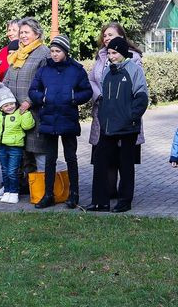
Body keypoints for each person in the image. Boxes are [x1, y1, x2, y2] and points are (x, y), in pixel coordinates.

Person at [27, 34, 93, 209]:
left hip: (68, 118)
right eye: (52, 51)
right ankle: (49, 194)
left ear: (65, 51)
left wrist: (73, 97)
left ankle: (74, 194)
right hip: (48, 119)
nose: (54, 54)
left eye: (58, 51)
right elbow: (33, 90)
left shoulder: (76, 70)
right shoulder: (44, 70)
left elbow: (87, 91)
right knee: (50, 159)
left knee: (71, 157)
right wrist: (43, 98)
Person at [87, 37, 149, 213]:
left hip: (127, 127)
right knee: (100, 160)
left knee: (126, 163)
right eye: (109, 53)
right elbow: (105, 99)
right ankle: (100, 201)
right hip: (108, 126)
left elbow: (142, 97)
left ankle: (124, 201)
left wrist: (130, 117)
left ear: (122, 53)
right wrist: (104, 115)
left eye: (114, 53)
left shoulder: (134, 70)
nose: (111, 56)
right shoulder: (108, 72)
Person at [2, 17, 51, 189]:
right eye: (21, 32)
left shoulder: (43, 53)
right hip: (16, 113)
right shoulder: (18, 53)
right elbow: (7, 80)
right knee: (23, 153)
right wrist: (1, 101)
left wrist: (29, 101)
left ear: (37, 33)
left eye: (26, 32)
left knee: (38, 151)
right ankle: (29, 188)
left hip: (35, 112)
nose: (22, 36)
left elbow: (45, 83)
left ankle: (46, 189)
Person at [0, 84, 35, 204]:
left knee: (12, 171)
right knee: (4, 170)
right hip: (2, 147)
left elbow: (27, 126)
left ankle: (14, 192)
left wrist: (26, 114)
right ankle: (7, 191)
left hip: (15, 147)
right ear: (1, 107)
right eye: (6, 105)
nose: (9, 107)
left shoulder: (19, 114)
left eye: (11, 104)